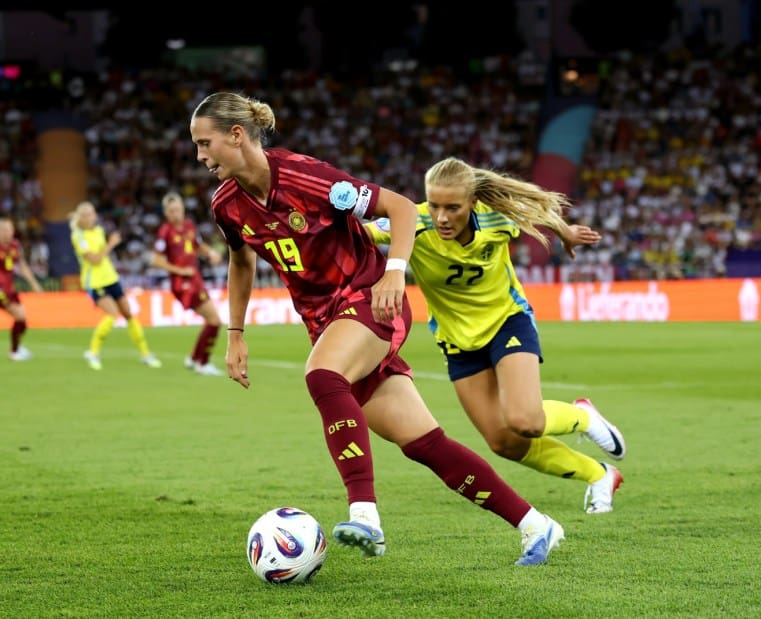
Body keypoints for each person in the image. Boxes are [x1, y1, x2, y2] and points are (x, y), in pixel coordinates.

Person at [191, 91, 563, 566]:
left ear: (236, 135)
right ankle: (537, 525)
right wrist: (236, 334)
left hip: (371, 299)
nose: (200, 157)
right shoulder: (226, 205)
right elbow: (240, 261)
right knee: (425, 444)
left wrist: (394, 272)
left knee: (322, 376)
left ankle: (365, 518)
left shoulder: (307, 176)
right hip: (325, 321)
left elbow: (403, 208)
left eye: (205, 144)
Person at [365, 156, 625, 514]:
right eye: (435, 205)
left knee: (525, 420)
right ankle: (599, 475)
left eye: (452, 208)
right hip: (458, 341)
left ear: (472, 203)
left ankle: (583, 416)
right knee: (504, 442)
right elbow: (361, 232)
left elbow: (536, 212)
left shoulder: (496, 217)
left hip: (508, 321)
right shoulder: (416, 222)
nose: (441, 217)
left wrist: (565, 231)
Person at [69, 201, 162, 371]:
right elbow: (94, 259)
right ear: (80, 218)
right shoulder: (78, 236)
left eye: (92, 214)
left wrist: (108, 246)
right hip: (95, 282)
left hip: (111, 278)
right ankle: (93, 352)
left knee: (128, 314)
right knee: (112, 314)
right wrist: (111, 244)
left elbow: (102, 256)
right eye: (87, 215)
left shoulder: (98, 231)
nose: (90, 218)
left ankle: (145, 354)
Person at [151, 191, 225, 376]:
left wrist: (211, 254)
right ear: (166, 213)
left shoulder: (189, 226)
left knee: (213, 320)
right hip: (182, 283)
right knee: (214, 320)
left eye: (178, 209)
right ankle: (202, 362)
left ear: (183, 209)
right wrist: (181, 271)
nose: (176, 213)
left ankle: (194, 359)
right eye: (172, 210)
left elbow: (197, 246)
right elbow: (156, 261)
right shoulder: (165, 231)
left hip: (194, 280)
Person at [0, 216, 44, 361]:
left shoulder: (15, 246)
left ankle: (17, 348)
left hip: (10, 289)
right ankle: (14, 352)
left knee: (23, 321)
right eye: (4, 230)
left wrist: (34, 283)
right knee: (20, 316)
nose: (7, 233)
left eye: (9, 229)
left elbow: (23, 265)